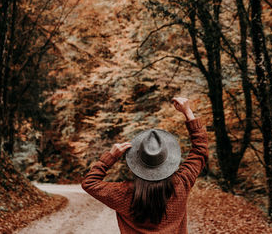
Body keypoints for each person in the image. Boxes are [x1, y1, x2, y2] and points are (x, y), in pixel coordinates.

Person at [81, 97, 208, 233]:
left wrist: (110, 158)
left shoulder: (124, 193)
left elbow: (89, 183)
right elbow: (200, 151)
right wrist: (188, 112)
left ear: (136, 161)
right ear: (168, 159)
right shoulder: (181, 184)